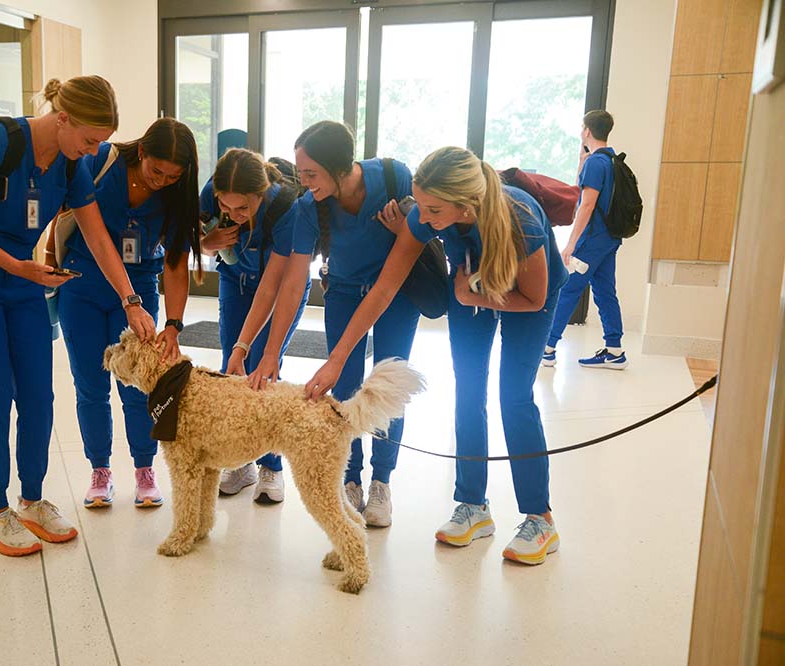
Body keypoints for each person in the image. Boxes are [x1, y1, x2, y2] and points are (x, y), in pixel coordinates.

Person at [305, 146, 568, 565]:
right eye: (419, 205)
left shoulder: (521, 220)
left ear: (466, 206)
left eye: (432, 210)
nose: (421, 219)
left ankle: (540, 518)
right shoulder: (429, 214)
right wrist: (337, 359)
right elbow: (385, 288)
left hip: (525, 298)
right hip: (472, 288)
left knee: (514, 397)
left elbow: (533, 299)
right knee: (467, 392)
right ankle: (473, 506)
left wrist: (467, 293)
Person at [0, 76, 130, 557]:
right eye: (88, 139)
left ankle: (32, 500)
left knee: (39, 395)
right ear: (62, 118)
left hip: (25, 281)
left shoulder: (70, 163)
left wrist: (131, 299)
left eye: (99, 143)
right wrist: (15, 265)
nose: (90, 151)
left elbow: (98, 235)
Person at [251, 121, 418, 528]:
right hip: (343, 290)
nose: (304, 183)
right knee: (343, 386)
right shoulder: (310, 206)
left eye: (311, 173)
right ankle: (351, 479)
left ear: (340, 167)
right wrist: (271, 353)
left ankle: (381, 481)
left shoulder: (395, 178)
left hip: (395, 293)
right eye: (300, 174)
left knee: (386, 383)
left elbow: (397, 269)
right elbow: (293, 284)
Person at [55, 117, 200, 509]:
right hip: (83, 285)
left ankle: (144, 469)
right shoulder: (100, 162)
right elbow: (92, 233)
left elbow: (174, 264)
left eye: (173, 176)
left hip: (140, 292)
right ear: (142, 152)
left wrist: (172, 324)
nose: (162, 181)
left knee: (141, 386)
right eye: (157, 170)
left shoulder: (178, 195)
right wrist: (128, 299)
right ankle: (99, 470)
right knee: (90, 384)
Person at [199, 148, 310, 503]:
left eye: (243, 209)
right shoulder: (211, 192)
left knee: (264, 370)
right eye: (225, 208)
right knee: (231, 371)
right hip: (234, 279)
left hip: (278, 286)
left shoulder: (287, 208)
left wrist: (251, 346)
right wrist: (207, 243)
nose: (233, 216)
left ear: (260, 195)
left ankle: (271, 466)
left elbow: (273, 286)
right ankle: (240, 460)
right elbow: (193, 238)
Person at [543, 110, 627, 370]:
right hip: (609, 238)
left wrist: (570, 243)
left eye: (582, 128)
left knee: (568, 288)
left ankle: (546, 348)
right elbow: (583, 194)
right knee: (604, 291)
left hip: (592, 239)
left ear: (587, 131)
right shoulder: (612, 160)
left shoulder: (596, 163)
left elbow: (587, 204)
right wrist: (582, 161)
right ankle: (614, 351)